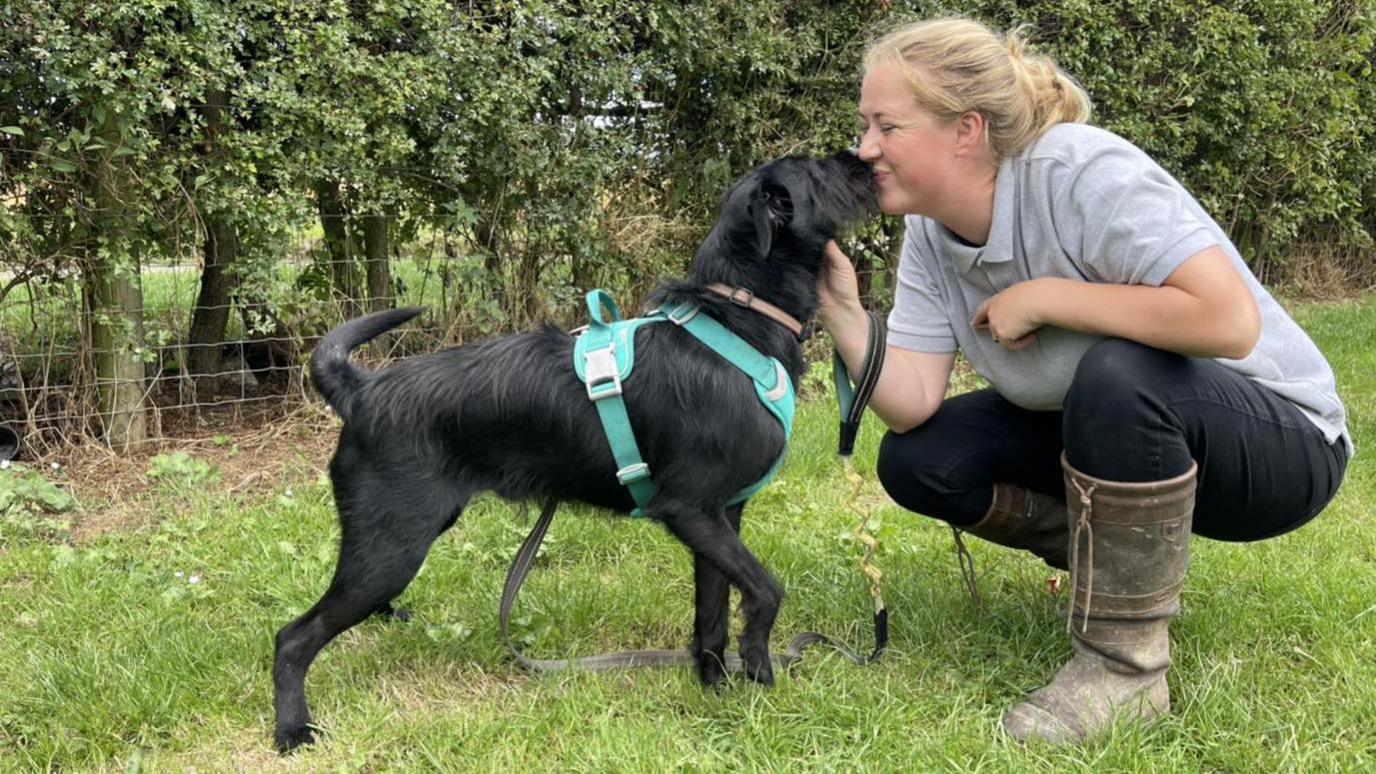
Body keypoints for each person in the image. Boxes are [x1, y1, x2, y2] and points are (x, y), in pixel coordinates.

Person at [820, 17, 1351, 744]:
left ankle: (1124, 673)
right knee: (920, 460)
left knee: (1118, 370)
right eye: (864, 126)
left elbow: (1228, 322)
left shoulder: (1076, 172)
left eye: (887, 126)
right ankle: (1122, 578)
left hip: (1283, 446)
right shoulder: (931, 234)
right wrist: (844, 313)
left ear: (965, 130)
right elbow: (910, 403)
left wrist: (1045, 297)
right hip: (1126, 434)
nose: (866, 148)